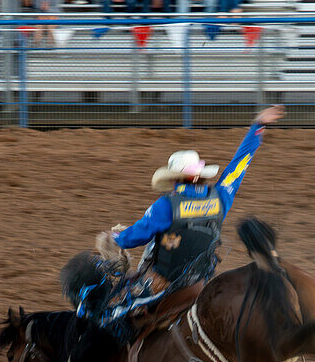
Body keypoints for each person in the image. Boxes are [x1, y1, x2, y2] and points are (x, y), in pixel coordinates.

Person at [83, 105, 286, 336]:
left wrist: (114, 237)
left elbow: (136, 237)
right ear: (199, 176)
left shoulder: (166, 206)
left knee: (107, 312)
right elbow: (239, 166)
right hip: (202, 279)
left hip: (164, 283)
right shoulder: (221, 197)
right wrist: (257, 127)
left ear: (175, 178)